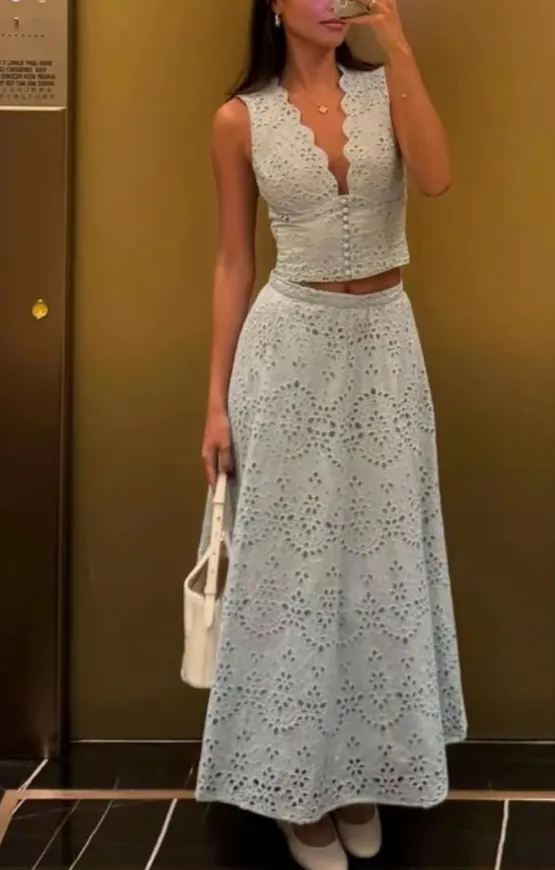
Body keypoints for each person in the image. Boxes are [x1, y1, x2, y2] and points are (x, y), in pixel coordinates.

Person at [195, 1, 467, 868]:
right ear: (274, 4)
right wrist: (215, 402)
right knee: (294, 573)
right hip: (288, 352)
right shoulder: (239, 120)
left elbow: (435, 178)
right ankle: (292, 792)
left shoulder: (386, 88)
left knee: (376, 566)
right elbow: (233, 261)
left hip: (384, 343)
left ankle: (356, 777)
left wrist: (400, 48)